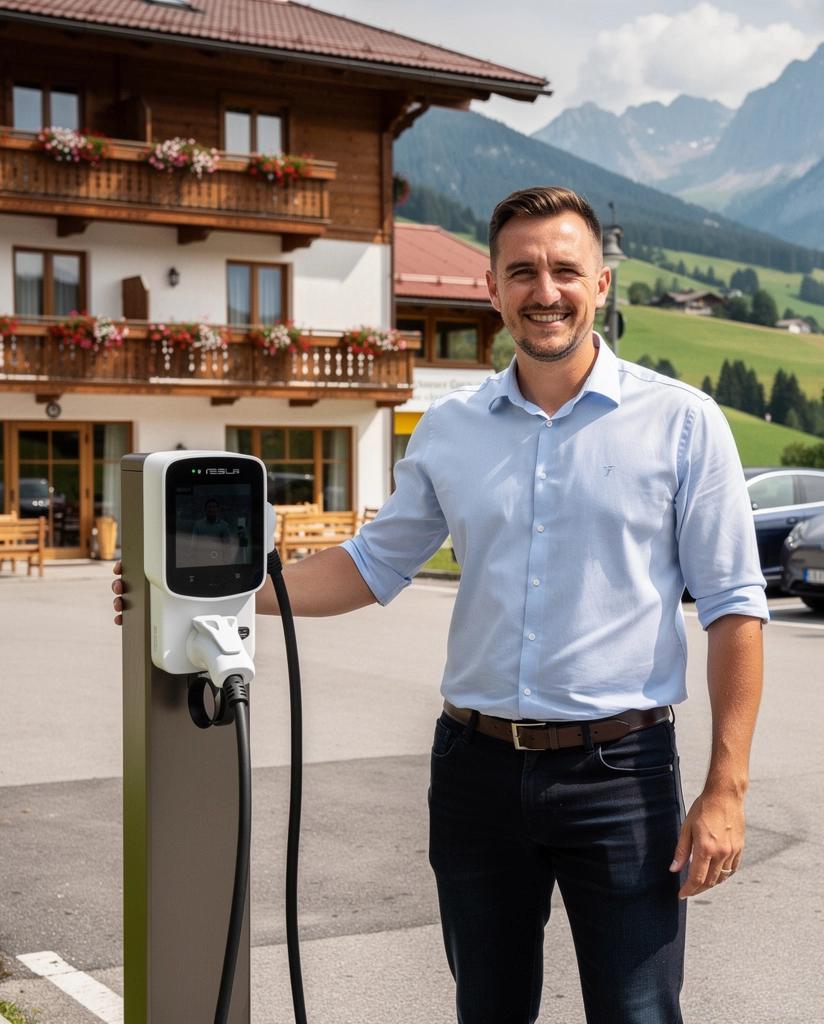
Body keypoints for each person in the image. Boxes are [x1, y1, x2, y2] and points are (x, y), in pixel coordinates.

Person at [113, 186, 767, 1023]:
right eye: (521, 271)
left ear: (602, 282)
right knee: (486, 1012)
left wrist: (726, 791)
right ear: (493, 290)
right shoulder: (452, 429)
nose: (545, 290)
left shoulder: (682, 423)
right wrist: (211, 592)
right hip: (477, 771)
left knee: (638, 1015)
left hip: (621, 775)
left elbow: (735, 611)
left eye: (565, 269)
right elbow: (371, 563)